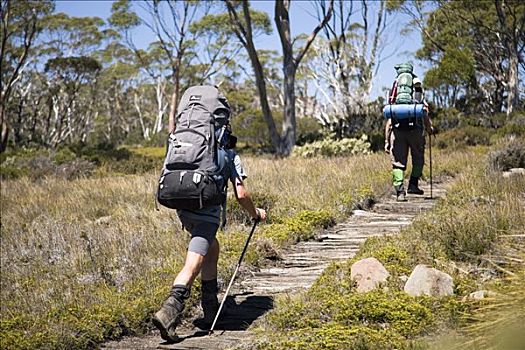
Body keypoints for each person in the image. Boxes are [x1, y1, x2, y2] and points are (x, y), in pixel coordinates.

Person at [152, 123, 267, 343]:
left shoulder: (187, 146)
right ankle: (169, 311)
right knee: (193, 262)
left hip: (183, 208)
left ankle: (210, 311)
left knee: (212, 248)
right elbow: (241, 195)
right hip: (207, 214)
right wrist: (255, 213)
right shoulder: (228, 154)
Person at [385, 64, 434, 201]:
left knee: (398, 163)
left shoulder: (395, 93)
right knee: (418, 158)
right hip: (416, 131)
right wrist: (429, 128)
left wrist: (386, 142)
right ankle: (413, 185)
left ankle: (400, 192)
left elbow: (389, 122)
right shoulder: (417, 90)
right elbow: (423, 112)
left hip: (397, 131)